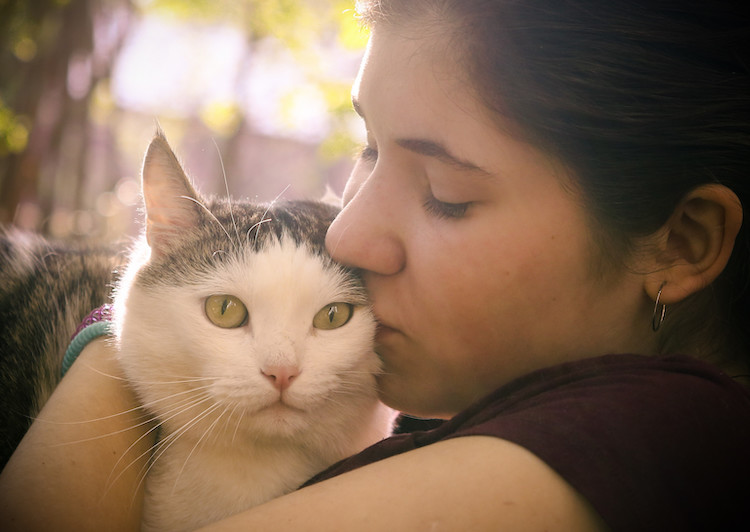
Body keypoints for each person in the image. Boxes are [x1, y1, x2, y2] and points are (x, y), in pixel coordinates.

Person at [2, 0, 750, 529]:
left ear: (680, 243)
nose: (351, 235)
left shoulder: (662, 432)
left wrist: (110, 339)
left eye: (446, 195)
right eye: (368, 148)